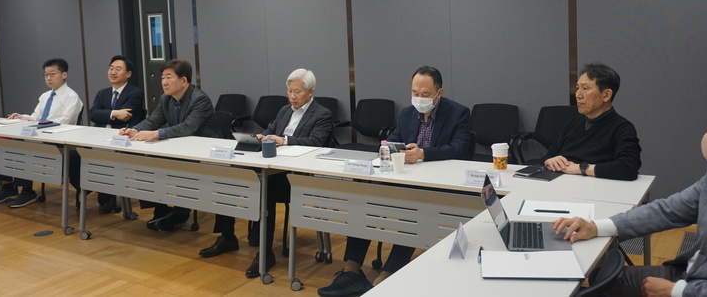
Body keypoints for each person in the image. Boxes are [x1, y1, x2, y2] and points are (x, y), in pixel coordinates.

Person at [553, 81, 707, 297]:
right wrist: (596, 227)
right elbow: (669, 210)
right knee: (600, 278)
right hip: (690, 272)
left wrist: (676, 291)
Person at [318, 65, 470, 297]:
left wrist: (424, 153)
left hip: (437, 184)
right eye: (415, 92)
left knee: (412, 210)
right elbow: (392, 140)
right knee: (366, 202)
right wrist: (391, 150)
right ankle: (351, 270)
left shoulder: (458, 113)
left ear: (439, 93)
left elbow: (461, 148)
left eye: (425, 94)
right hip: (404, 177)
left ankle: (387, 276)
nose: (419, 98)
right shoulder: (408, 113)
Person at [200, 69, 334, 279]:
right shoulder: (284, 110)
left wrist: (284, 140)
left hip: (296, 175)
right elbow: (271, 129)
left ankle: (265, 252)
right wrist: (262, 137)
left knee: (265, 188)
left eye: (297, 91)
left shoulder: (322, 114)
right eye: (290, 91)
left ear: (311, 91)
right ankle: (227, 237)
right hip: (272, 164)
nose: (292, 96)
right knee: (229, 178)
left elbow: (316, 142)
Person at [119, 58, 219, 232]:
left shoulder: (200, 99)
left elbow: (188, 127)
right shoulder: (166, 99)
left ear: (183, 80)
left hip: (202, 151)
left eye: (169, 77)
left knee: (180, 167)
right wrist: (135, 130)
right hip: (178, 147)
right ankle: (161, 208)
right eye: (162, 78)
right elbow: (153, 120)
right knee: (146, 162)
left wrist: (156, 134)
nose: (164, 82)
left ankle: (181, 213)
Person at [0, 58, 83, 208]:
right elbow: (35, 117)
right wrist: (22, 117)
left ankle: (27, 191)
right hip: (39, 135)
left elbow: (65, 121)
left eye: (52, 74)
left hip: (56, 139)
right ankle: (8, 188)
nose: (49, 78)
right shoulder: (45, 96)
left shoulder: (72, 97)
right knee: (3, 142)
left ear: (64, 74)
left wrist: (39, 123)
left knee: (22, 145)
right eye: (46, 75)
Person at [542, 63, 642, 180]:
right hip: (561, 182)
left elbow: (628, 167)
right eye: (577, 88)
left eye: (585, 89)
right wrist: (549, 161)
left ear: (606, 95)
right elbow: (550, 155)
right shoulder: (574, 122)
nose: (578, 95)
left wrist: (580, 168)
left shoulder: (622, 128)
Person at [84, 55, 144, 213]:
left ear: (128, 74)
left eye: (118, 69)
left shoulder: (135, 93)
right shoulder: (102, 93)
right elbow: (93, 114)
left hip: (122, 138)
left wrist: (106, 114)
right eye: (111, 68)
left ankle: (106, 191)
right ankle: (99, 188)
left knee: (106, 158)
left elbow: (126, 116)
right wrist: (114, 113)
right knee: (76, 157)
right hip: (100, 137)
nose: (113, 72)